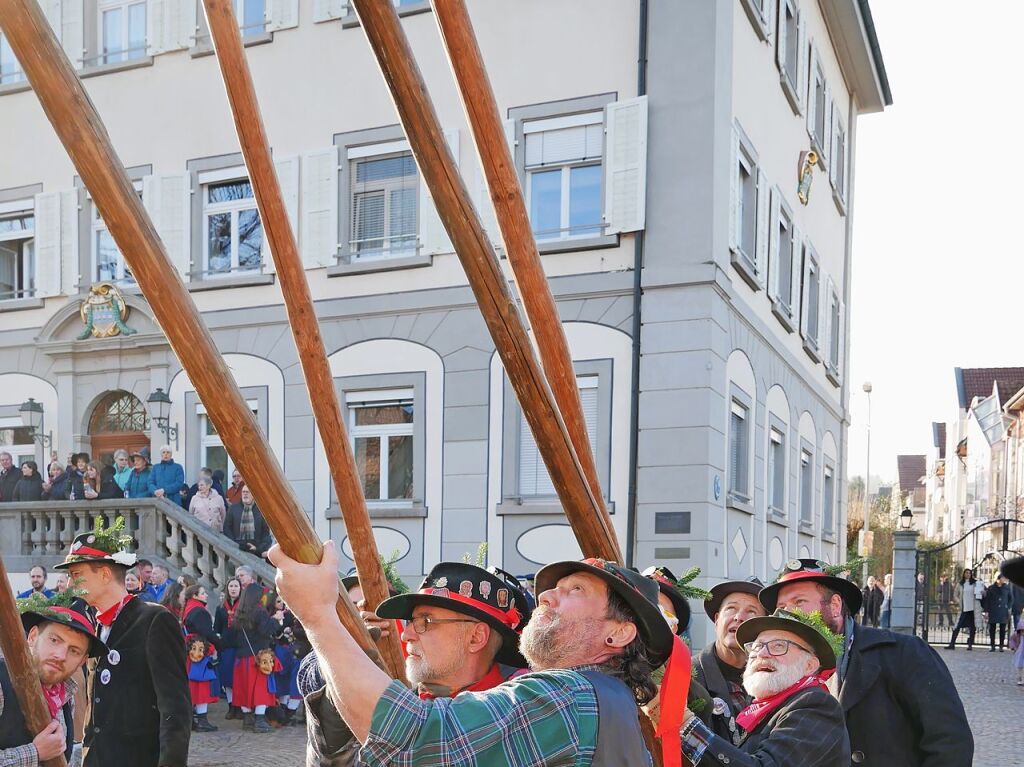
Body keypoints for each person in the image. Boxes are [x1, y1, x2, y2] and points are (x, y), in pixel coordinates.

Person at [274, 546, 675, 766]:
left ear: (619, 632)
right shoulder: (603, 696)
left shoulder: (570, 695)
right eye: (554, 589)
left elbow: (415, 740)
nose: (548, 594)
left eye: (575, 591)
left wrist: (318, 616)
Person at [299, 564, 532, 765]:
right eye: (411, 621)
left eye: (426, 622)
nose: (406, 634)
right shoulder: (405, 697)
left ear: (476, 637)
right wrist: (342, 685)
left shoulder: (523, 705)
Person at [761, 558, 973, 766]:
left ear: (835, 605)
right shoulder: (774, 665)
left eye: (799, 602)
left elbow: (950, 743)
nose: (789, 615)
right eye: (782, 607)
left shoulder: (903, 653)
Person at [55, 521, 191, 767]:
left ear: (105, 574)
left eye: (77, 574)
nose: (71, 583)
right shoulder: (96, 626)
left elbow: (175, 709)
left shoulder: (154, 620)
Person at [680, 608, 849, 766]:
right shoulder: (761, 708)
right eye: (757, 646)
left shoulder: (815, 706)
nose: (761, 654)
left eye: (779, 646)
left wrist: (687, 725)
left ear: (810, 665)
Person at [2, 593, 106, 765]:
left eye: (74, 651)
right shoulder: (1, 681)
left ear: (82, 660)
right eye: (54, 640)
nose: (60, 655)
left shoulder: (65, 695)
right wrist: (34, 752)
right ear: (33, 636)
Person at [691, 576, 766, 744]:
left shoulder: (773, 680)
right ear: (717, 619)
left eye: (751, 611)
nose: (739, 617)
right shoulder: (688, 676)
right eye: (731, 609)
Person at [232, 582, 281, 733]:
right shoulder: (259, 611)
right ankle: (259, 721)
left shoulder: (239, 612)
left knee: (244, 689)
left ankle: (248, 720)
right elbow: (266, 630)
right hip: (257, 657)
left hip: (241, 658)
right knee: (261, 691)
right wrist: (276, 619)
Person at [215, 578, 243, 720]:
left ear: (240, 588)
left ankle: (240, 707)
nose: (233, 589)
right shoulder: (221, 607)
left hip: (240, 647)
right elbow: (217, 628)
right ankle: (231, 706)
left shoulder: (244, 606)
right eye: (231, 586)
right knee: (227, 678)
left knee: (239, 678)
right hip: (226, 647)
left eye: (236, 586)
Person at [225, 485, 273, 558]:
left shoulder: (261, 510)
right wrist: (234, 544)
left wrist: (258, 549)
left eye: (247, 492)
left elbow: (266, 533)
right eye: (243, 492)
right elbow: (227, 528)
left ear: (253, 494)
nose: (245, 494)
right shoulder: (233, 508)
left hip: (255, 550)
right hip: (237, 549)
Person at [186, 637, 220, 732]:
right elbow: (206, 632)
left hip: (190, 661)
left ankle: (191, 722)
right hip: (201, 662)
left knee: (192, 693)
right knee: (202, 693)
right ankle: (202, 722)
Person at [947, 567, 985, 650]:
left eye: (969, 573)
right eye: (966, 573)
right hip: (964, 608)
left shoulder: (976, 583)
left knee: (972, 627)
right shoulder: (960, 584)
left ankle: (970, 645)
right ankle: (952, 644)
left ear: (971, 574)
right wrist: (959, 602)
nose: (968, 574)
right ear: (964, 574)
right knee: (957, 626)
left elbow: (982, 593)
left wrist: (982, 592)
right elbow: (955, 594)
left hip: (972, 609)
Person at [982, 574, 1012, 652]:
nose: (1004, 580)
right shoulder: (991, 588)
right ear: (999, 579)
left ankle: (1001, 646)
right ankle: (992, 645)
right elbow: (987, 600)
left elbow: (1011, 598)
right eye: (1003, 578)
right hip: (993, 610)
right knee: (992, 628)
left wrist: (1008, 607)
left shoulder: (1007, 588)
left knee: (1002, 628)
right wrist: (986, 611)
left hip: (1003, 610)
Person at [1010, 615, 1024, 686]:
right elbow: (1012, 640)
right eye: (1022, 631)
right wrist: (1014, 647)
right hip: (1020, 654)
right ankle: (1020, 678)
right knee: (1020, 667)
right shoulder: (1017, 635)